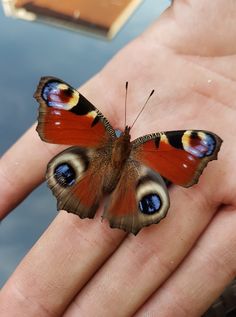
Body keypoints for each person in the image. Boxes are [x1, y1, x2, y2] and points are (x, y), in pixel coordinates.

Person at [0, 0, 236, 315]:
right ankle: (112, 203)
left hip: (93, 163)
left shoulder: (100, 130)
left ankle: (98, 198)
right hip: (128, 175)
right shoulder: (153, 146)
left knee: (78, 166)